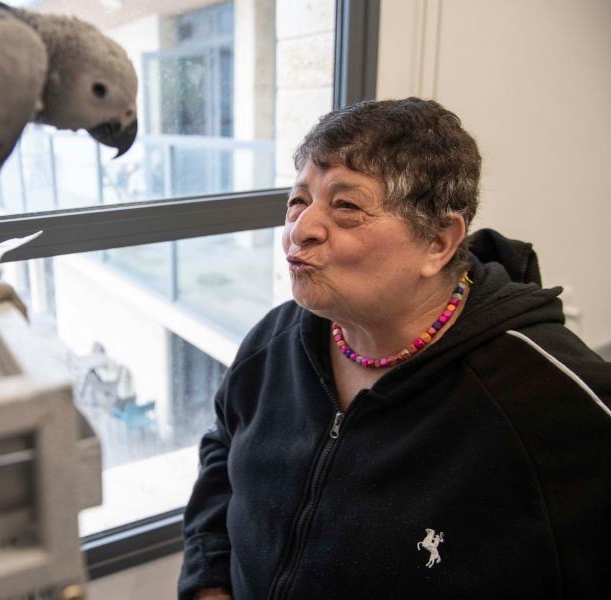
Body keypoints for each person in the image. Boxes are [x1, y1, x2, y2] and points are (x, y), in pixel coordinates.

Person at [178, 98, 611, 599]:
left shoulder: (544, 393)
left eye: (346, 206)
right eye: (298, 200)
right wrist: (208, 582)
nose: (301, 229)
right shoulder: (276, 338)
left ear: (439, 242)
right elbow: (224, 451)